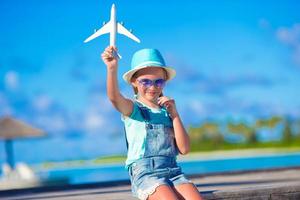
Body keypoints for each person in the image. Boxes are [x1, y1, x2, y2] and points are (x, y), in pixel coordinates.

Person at [102, 46, 203, 200]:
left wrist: (175, 115)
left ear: (165, 82)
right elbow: (114, 98)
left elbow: (184, 148)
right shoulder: (133, 109)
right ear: (134, 82)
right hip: (146, 174)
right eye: (145, 82)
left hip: (174, 171)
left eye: (158, 82)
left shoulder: (167, 111)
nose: (153, 87)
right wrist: (111, 68)